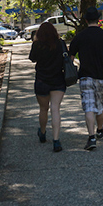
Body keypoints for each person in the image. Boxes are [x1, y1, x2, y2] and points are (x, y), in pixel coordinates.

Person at [68, 6, 103, 151]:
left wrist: (69, 72)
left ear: (85, 20)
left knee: (89, 106)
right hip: (102, 76)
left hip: (86, 76)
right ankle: (99, 129)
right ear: (98, 19)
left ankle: (91, 137)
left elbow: (70, 56)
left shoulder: (80, 37)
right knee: (100, 105)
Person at [29, 21, 67, 152]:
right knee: (55, 109)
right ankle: (56, 140)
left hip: (41, 80)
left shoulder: (37, 45)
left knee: (43, 109)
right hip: (58, 80)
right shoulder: (60, 44)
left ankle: (43, 133)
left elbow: (32, 59)